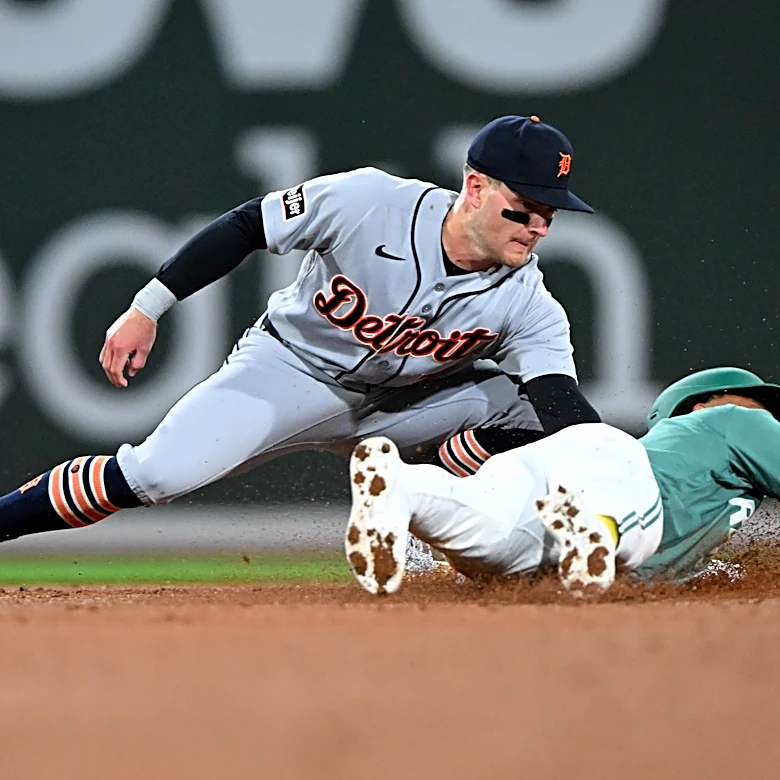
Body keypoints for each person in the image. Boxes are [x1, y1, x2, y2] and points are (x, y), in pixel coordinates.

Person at [0, 115, 600, 547]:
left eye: (550, 214)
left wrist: (632, 477)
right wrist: (148, 306)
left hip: (406, 410)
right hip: (290, 371)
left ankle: (430, 521)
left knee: (529, 419)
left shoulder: (530, 304)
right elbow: (244, 227)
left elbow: (565, 410)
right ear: (475, 188)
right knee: (154, 474)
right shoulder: (371, 201)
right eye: (524, 208)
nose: (538, 227)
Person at [344, 367, 780, 596]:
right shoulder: (730, 422)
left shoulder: (710, 495)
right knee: (629, 524)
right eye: (759, 401)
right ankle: (599, 533)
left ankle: (404, 488)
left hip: (552, 480)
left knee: (490, 534)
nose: (771, 414)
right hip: (609, 466)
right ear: (702, 405)